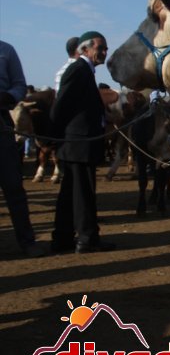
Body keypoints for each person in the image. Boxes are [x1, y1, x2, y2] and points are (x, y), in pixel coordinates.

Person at [50, 31, 114, 253]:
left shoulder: (84, 71)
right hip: (79, 143)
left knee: (70, 193)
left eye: (105, 48)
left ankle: (62, 239)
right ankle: (87, 239)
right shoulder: (78, 70)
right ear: (85, 49)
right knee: (83, 193)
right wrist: (53, 136)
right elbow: (61, 105)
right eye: (100, 48)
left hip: (77, 143)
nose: (104, 52)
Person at [0, 40, 46, 257]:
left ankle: (27, 241)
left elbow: (19, 85)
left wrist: (8, 96)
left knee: (13, 187)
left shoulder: (6, 50)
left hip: (1, 123)